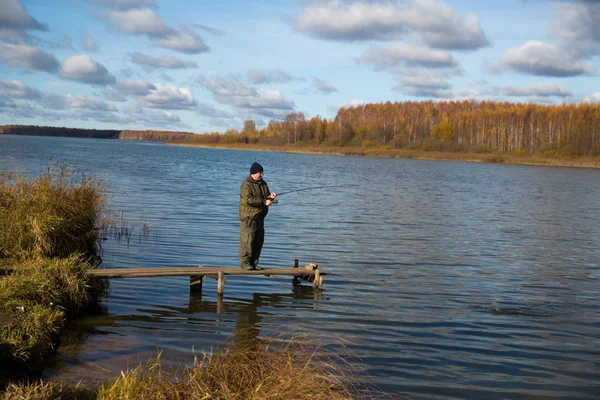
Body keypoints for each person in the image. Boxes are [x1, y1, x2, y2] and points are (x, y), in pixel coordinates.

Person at [239, 162, 277, 270]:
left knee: (258, 241)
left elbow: (266, 197)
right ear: (254, 173)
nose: (262, 175)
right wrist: (264, 201)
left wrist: (271, 198)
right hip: (249, 218)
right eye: (260, 173)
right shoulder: (246, 185)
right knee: (247, 241)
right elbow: (248, 200)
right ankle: (245, 263)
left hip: (260, 217)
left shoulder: (263, 184)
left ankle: (254, 263)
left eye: (262, 172)